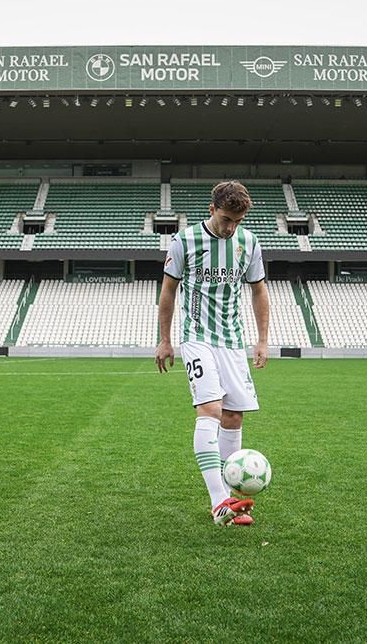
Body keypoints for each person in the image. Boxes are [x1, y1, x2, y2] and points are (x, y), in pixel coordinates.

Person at [155, 180, 269, 527]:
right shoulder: (184, 241)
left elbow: (259, 290)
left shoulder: (248, 243)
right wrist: (165, 340)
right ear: (211, 210)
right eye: (225, 219)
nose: (230, 227)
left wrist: (262, 340)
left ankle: (233, 500)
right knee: (211, 411)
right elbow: (168, 290)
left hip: (233, 341)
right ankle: (219, 502)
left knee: (234, 418)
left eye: (237, 221)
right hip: (197, 338)